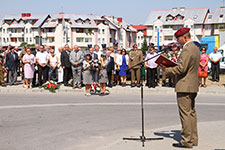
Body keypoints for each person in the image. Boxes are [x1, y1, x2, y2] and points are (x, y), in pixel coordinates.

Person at [161, 28, 200, 148]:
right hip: (192, 84)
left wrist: (166, 70)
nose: (178, 42)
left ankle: (187, 141)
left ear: (185, 37)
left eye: (178, 39)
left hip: (184, 85)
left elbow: (181, 69)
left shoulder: (187, 49)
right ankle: (193, 139)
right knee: (191, 113)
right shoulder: (195, 48)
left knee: (185, 114)